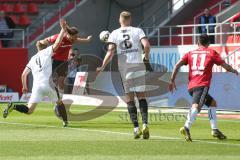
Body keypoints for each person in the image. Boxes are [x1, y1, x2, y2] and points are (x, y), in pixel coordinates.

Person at [169, 34, 238, 142]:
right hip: (201, 84)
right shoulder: (211, 52)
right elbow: (225, 66)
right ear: (208, 43)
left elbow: (177, 65)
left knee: (212, 103)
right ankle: (187, 126)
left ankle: (214, 129)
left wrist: (172, 80)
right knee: (196, 106)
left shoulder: (190, 53)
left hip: (191, 86)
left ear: (198, 43)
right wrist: (234, 70)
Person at [96, 11, 152, 139]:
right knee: (141, 96)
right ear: (130, 19)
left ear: (120, 20)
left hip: (125, 68)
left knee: (129, 98)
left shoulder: (114, 33)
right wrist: (146, 58)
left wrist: (102, 67)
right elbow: (147, 46)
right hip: (138, 65)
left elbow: (110, 52)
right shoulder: (138, 30)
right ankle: (145, 124)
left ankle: (136, 128)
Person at [3, 19, 68, 126]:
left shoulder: (33, 58)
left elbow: (23, 74)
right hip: (48, 85)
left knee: (29, 110)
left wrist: (24, 87)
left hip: (36, 87)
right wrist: (63, 29)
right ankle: (65, 122)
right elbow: (57, 42)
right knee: (59, 102)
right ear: (45, 46)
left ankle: (14, 106)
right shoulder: (47, 51)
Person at [37, 25, 92, 94]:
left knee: (62, 81)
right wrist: (41, 44)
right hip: (53, 60)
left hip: (63, 62)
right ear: (69, 35)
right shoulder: (58, 37)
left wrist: (87, 39)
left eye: (76, 36)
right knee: (54, 80)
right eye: (75, 36)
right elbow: (46, 40)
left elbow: (81, 40)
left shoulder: (73, 39)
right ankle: (53, 95)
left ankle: (60, 96)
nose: (76, 38)